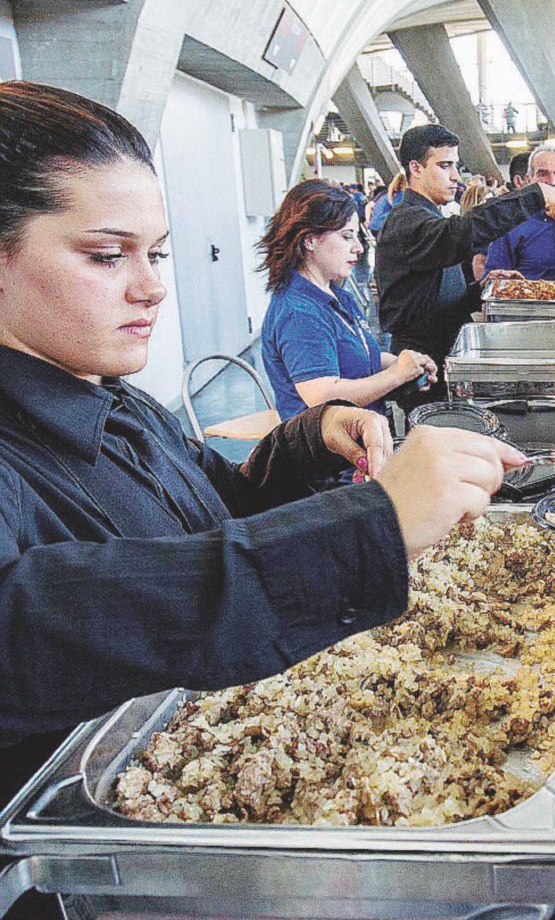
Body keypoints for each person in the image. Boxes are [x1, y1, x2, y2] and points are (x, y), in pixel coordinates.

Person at [0, 81, 527, 797]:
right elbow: (41, 625)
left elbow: (223, 508)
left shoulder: (117, 401)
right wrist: (371, 529)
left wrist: (310, 441)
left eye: (155, 254)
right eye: (105, 256)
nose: (152, 288)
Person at [375, 124, 555, 406]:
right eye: (445, 166)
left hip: (443, 356)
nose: (456, 177)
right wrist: (535, 196)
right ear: (416, 168)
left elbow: (434, 297)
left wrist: (480, 288)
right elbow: (462, 234)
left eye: (455, 166)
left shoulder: (425, 215)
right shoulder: (407, 221)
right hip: (423, 365)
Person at [259, 180, 436, 421]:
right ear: (309, 240)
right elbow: (323, 396)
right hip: (327, 453)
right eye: (346, 237)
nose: (358, 248)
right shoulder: (299, 313)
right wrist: (396, 375)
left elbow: (359, 356)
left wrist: (407, 363)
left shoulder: (335, 294)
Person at [483, 141, 555, 280]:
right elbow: (493, 282)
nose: (552, 182)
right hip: (524, 300)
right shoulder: (509, 224)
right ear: (528, 180)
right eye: (543, 174)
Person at [368, 170, 405, 235]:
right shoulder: (400, 195)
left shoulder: (386, 195)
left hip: (374, 227)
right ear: (402, 184)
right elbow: (399, 211)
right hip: (382, 227)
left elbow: (369, 205)